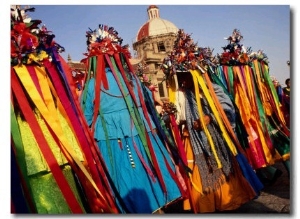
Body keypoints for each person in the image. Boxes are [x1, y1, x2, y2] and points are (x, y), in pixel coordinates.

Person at [80, 24, 184, 213]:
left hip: (112, 144)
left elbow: (84, 119)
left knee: (123, 181)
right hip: (145, 138)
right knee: (150, 176)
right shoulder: (134, 81)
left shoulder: (91, 86)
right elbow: (150, 108)